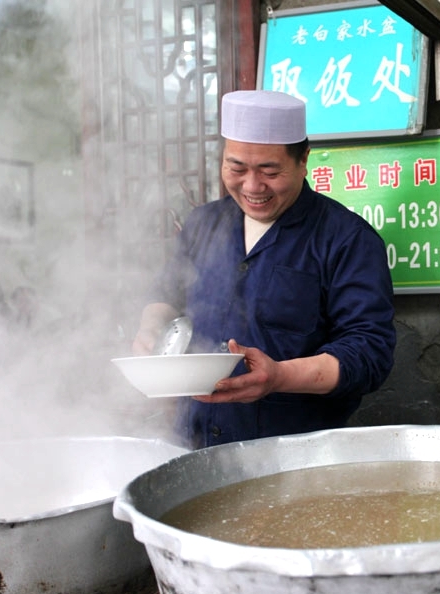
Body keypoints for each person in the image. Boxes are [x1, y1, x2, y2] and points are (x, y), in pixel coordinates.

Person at [133, 90, 396, 449]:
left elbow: (369, 352)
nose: (252, 186)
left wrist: (280, 376)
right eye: (236, 168)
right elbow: (167, 294)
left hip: (292, 456)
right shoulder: (203, 224)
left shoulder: (347, 239)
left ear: (304, 160)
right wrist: (151, 328)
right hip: (191, 444)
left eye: (270, 172)